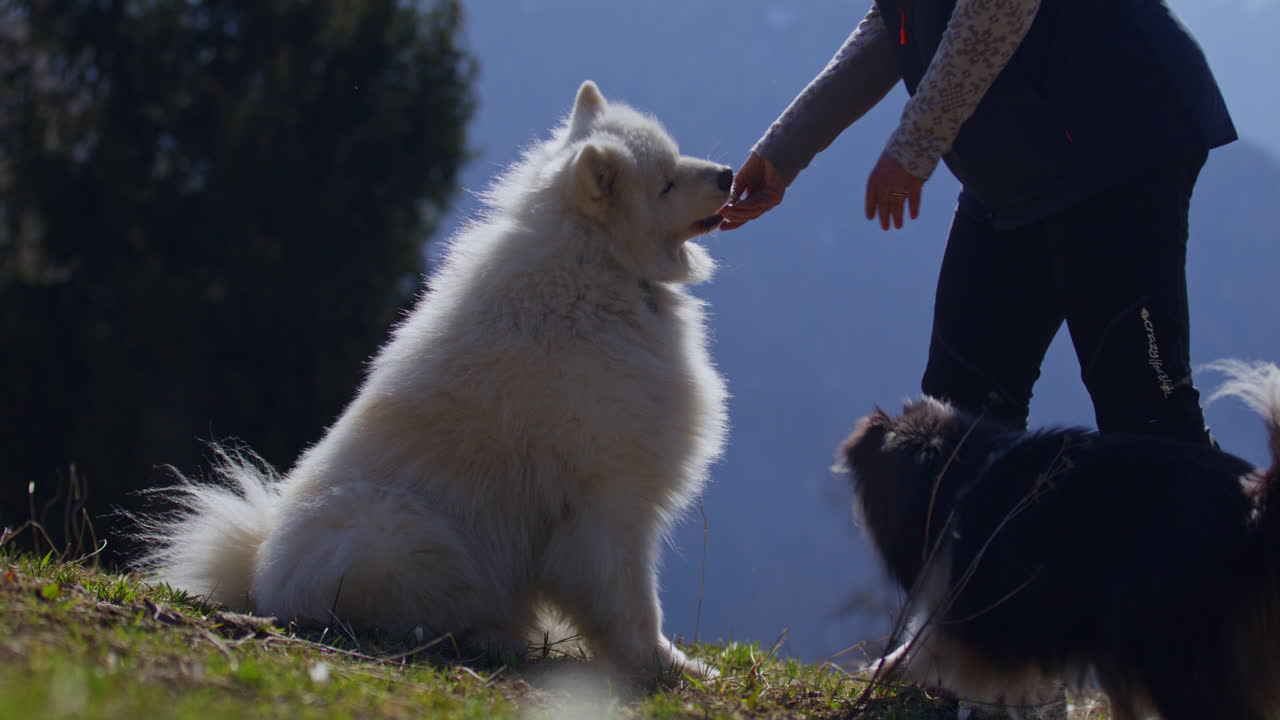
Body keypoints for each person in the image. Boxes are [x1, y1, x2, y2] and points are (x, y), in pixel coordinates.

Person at [720, 0, 1235, 444]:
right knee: (957, 413)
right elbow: (894, 22)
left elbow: (997, 8)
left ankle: (1228, 555)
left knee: (1144, 408)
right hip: (1019, 163)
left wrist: (914, 145)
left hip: (1117, 140)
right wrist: (786, 149)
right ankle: (996, 558)